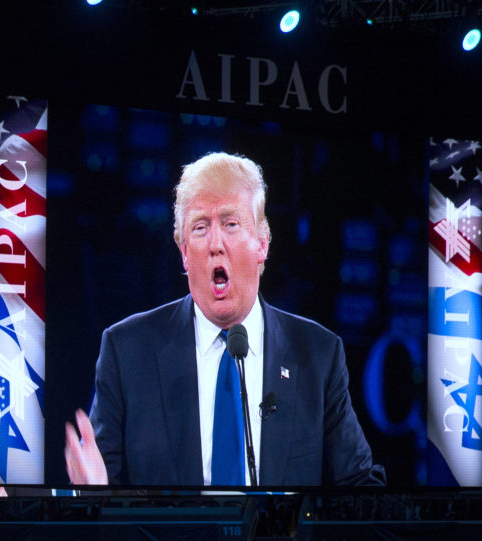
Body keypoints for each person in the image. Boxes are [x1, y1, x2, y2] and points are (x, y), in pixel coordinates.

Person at [65, 152, 384, 487]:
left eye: (231, 224)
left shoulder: (318, 354)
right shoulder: (127, 351)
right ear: (185, 253)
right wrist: (93, 495)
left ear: (262, 244)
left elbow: (359, 488)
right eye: (200, 227)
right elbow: (100, 500)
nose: (215, 243)